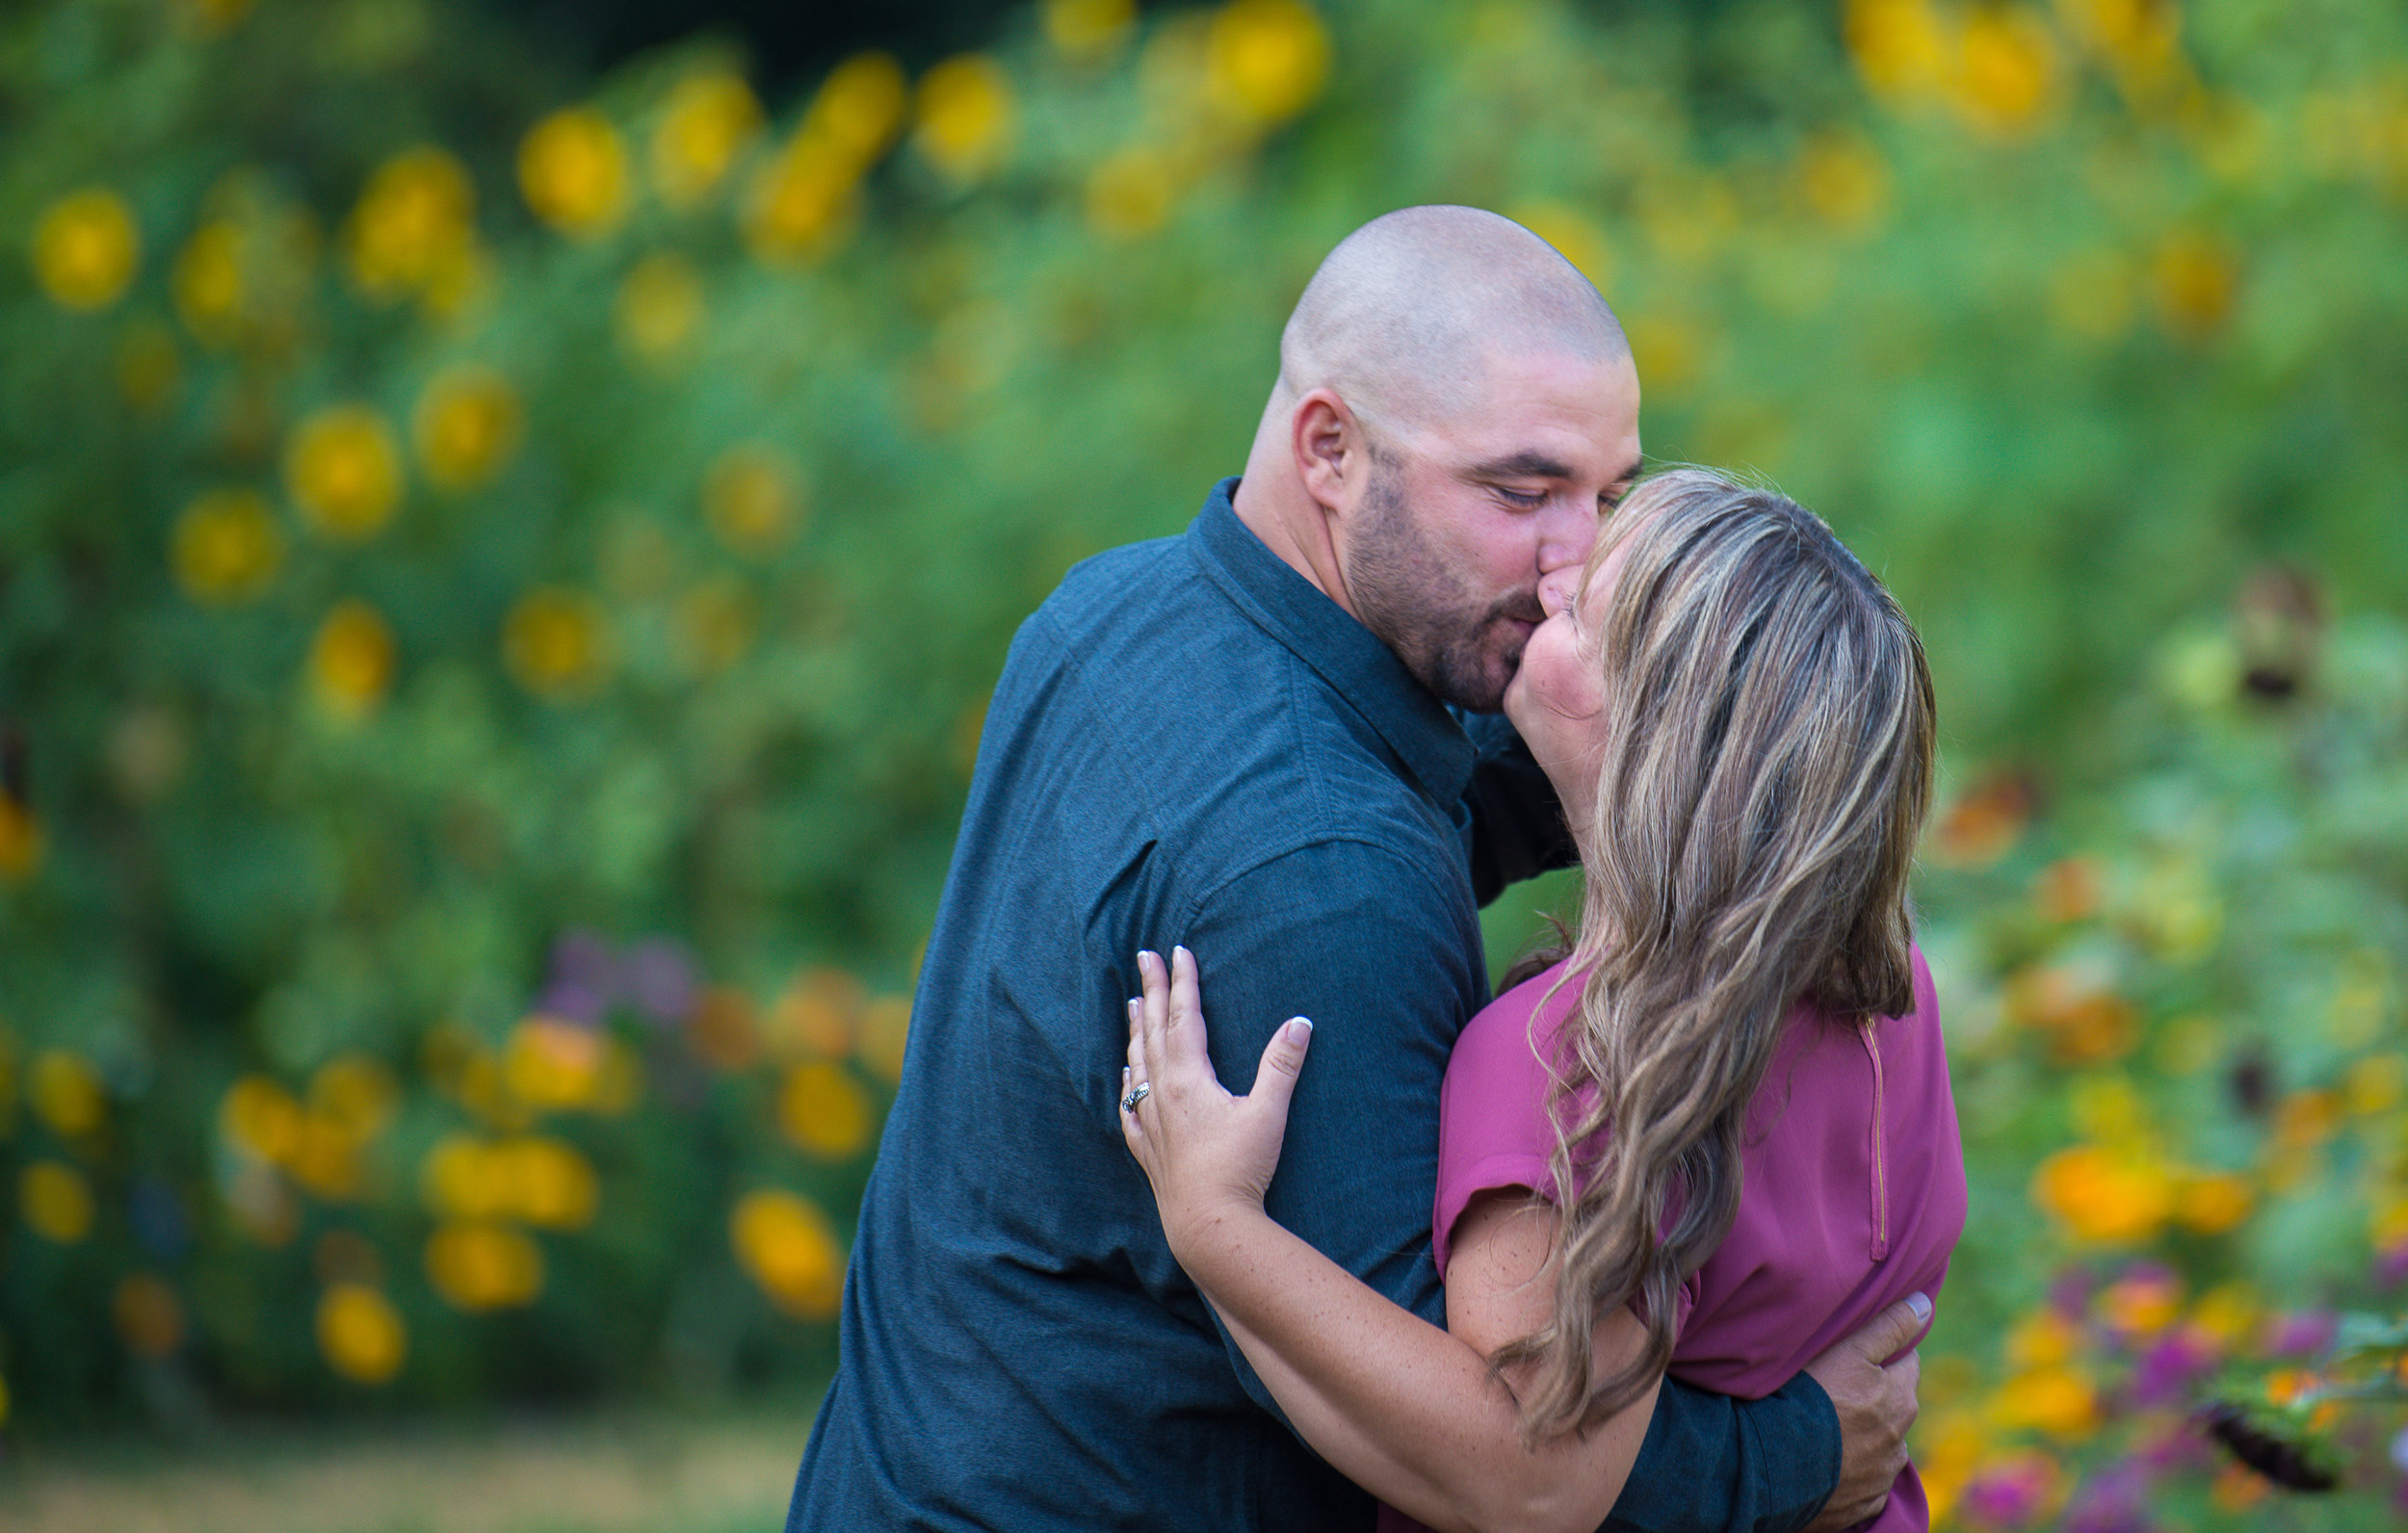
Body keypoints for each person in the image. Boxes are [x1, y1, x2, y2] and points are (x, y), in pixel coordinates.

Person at [787, 208, 1920, 1531]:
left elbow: (1471, 784)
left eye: (1607, 495)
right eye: (1520, 492)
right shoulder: (1325, 877)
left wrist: (1742, 743)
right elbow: (1481, 1457)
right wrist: (1797, 1452)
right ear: (1331, 447)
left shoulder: (1112, 614)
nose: (1576, 568)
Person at [1117, 468, 1964, 1533]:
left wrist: (1212, 1224)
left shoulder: (1566, 1059)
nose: (1549, 573)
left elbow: (1527, 1484)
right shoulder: (1890, 986)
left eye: (1576, 609)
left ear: (1648, 737)